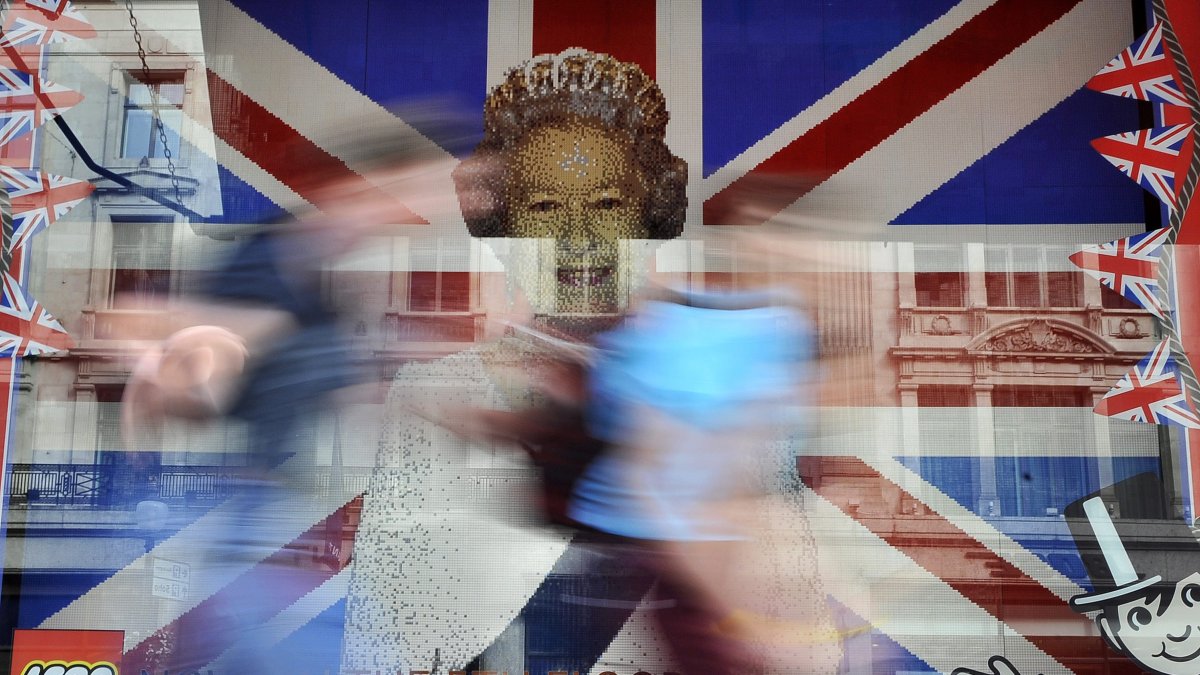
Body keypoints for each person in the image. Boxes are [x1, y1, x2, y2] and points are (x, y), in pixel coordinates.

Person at [119, 107, 465, 675]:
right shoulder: (269, 260)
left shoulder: (326, 289)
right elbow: (178, 363)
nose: (411, 210)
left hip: (290, 519)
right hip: (257, 519)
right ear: (351, 188)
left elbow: (354, 399)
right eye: (402, 191)